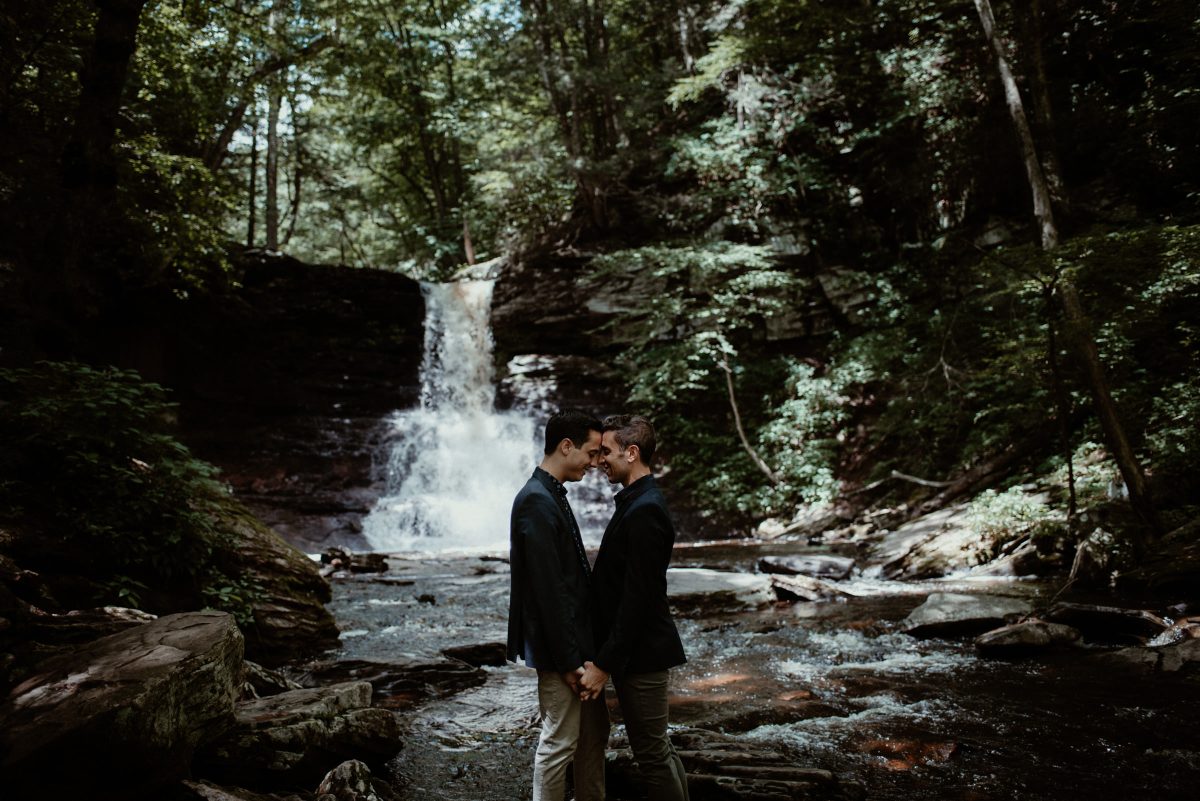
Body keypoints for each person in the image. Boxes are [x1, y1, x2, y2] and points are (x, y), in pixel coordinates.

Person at [579, 414, 689, 801]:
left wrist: (604, 664)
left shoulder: (645, 509)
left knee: (653, 754)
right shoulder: (636, 501)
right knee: (659, 750)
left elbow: (638, 597)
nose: (598, 460)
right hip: (636, 652)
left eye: (606, 452)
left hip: (642, 654)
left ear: (632, 451)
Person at [506, 409, 610, 801]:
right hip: (561, 653)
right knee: (559, 744)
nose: (597, 462)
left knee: (592, 740)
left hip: (578, 648)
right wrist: (569, 662)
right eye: (592, 451)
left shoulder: (548, 494)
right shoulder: (535, 500)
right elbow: (547, 592)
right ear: (566, 446)